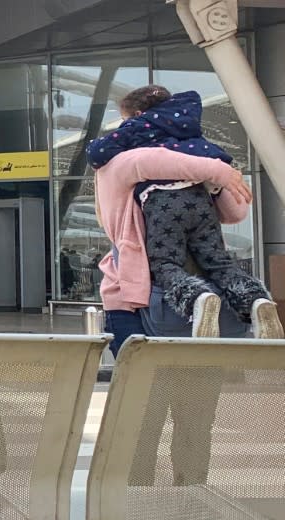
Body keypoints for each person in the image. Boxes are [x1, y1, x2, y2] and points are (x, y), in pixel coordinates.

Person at [94, 145, 254, 520]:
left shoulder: (195, 170)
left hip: (197, 312)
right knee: (144, 422)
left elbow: (237, 212)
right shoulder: (119, 164)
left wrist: (219, 178)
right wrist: (216, 166)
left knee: (195, 424)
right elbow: (146, 160)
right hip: (133, 307)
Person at [87, 85, 282, 338]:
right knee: (202, 374)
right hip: (211, 283)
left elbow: (146, 159)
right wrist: (216, 173)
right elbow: (236, 212)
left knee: (139, 371)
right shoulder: (200, 155)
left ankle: (196, 299)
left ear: (136, 117)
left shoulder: (118, 162)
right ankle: (255, 300)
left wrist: (212, 171)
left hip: (136, 298)